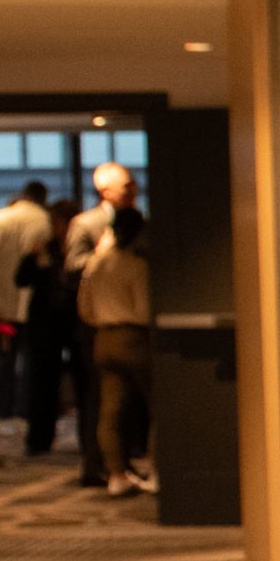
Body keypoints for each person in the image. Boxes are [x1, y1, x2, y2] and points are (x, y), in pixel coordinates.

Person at [65, 161, 135, 486]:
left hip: (131, 323)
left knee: (127, 403)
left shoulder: (139, 218)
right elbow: (72, 268)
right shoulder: (86, 223)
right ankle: (97, 464)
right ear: (105, 190)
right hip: (99, 326)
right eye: (126, 186)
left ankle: (126, 463)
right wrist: (102, 256)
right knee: (99, 400)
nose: (132, 191)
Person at [78, 205, 156, 496]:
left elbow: (84, 308)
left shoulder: (95, 264)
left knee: (110, 411)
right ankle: (156, 469)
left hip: (103, 337)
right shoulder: (136, 266)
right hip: (133, 336)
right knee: (155, 405)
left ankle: (115, 473)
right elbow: (144, 308)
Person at [0, 179, 51, 444]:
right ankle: (21, 412)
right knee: (28, 362)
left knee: (3, 358)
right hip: (27, 305)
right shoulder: (40, 220)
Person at [18, 198, 85, 455]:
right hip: (45, 324)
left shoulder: (79, 249)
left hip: (74, 319)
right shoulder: (44, 249)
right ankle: (39, 439)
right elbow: (21, 279)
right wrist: (34, 259)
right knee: (43, 381)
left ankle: (88, 439)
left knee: (84, 381)